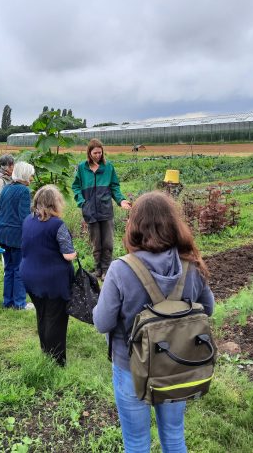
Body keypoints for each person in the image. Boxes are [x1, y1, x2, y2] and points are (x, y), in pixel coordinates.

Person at [93, 191, 214, 452]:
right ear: (174, 223)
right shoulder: (191, 265)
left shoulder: (121, 269)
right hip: (177, 365)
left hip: (130, 367)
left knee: (136, 442)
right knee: (173, 436)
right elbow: (209, 309)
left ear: (134, 226)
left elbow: (102, 323)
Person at [20, 185, 76, 366]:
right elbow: (68, 254)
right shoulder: (57, 224)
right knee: (56, 319)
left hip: (30, 276)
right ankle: (57, 361)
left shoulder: (28, 220)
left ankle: (45, 351)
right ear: (55, 203)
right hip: (53, 280)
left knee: (42, 314)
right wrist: (75, 254)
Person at [72, 138, 131, 280]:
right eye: (95, 153)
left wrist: (121, 200)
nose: (98, 155)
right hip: (90, 211)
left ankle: (106, 269)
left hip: (106, 210)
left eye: (100, 152)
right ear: (89, 153)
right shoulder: (82, 168)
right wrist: (82, 202)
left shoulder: (108, 167)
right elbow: (76, 187)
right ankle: (98, 269)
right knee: (96, 242)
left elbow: (114, 187)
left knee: (108, 242)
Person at [0, 161, 35, 310]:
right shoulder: (24, 191)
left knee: (9, 268)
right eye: (31, 175)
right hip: (16, 236)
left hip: (3, 233)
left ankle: (8, 301)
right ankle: (20, 303)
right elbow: (25, 217)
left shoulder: (6, 188)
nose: (32, 178)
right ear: (25, 175)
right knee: (19, 268)